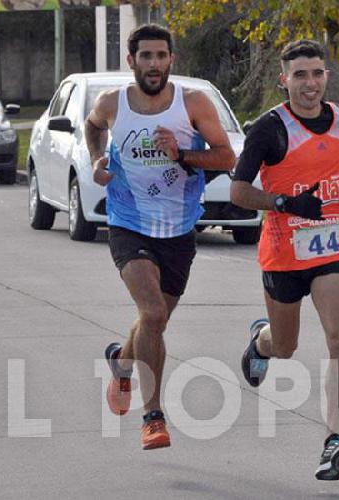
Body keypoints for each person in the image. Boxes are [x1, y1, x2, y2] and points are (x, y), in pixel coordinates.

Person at [84, 24, 236, 450]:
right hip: (128, 222)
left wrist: (183, 153)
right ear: (130, 61)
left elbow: (226, 157)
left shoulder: (193, 104)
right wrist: (98, 159)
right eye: (145, 56)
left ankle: (121, 361)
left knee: (157, 320)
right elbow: (92, 126)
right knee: (151, 314)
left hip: (179, 229)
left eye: (161, 56)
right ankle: (153, 416)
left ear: (172, 60)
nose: (154, 64)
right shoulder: (112, 103)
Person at [229, 39, 339, 480]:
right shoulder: (269, 130)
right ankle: (262, 342)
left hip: (334, 245)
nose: (310, 83)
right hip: (284, 250)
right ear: (283, 79)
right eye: (300, 75)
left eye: (317, 73)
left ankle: (334, 441)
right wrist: (285, 202)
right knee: (286, 348)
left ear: (327, 75)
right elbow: (237, 192)